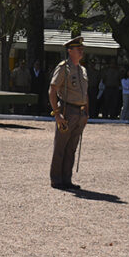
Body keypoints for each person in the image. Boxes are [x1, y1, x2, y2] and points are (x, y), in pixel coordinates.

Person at [49, 36, 89, 190]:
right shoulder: (63, 68)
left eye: (82, 48)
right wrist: (57, 114)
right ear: (70, 50)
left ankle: (67, 179)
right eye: (78, 48)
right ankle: (56, 180)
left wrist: (86, 113)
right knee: (61, 147)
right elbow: (52, 90)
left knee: (71, 148)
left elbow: (85, 93)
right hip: (67, 110)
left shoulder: (82, 70)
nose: (81, 51)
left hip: (80, 113)